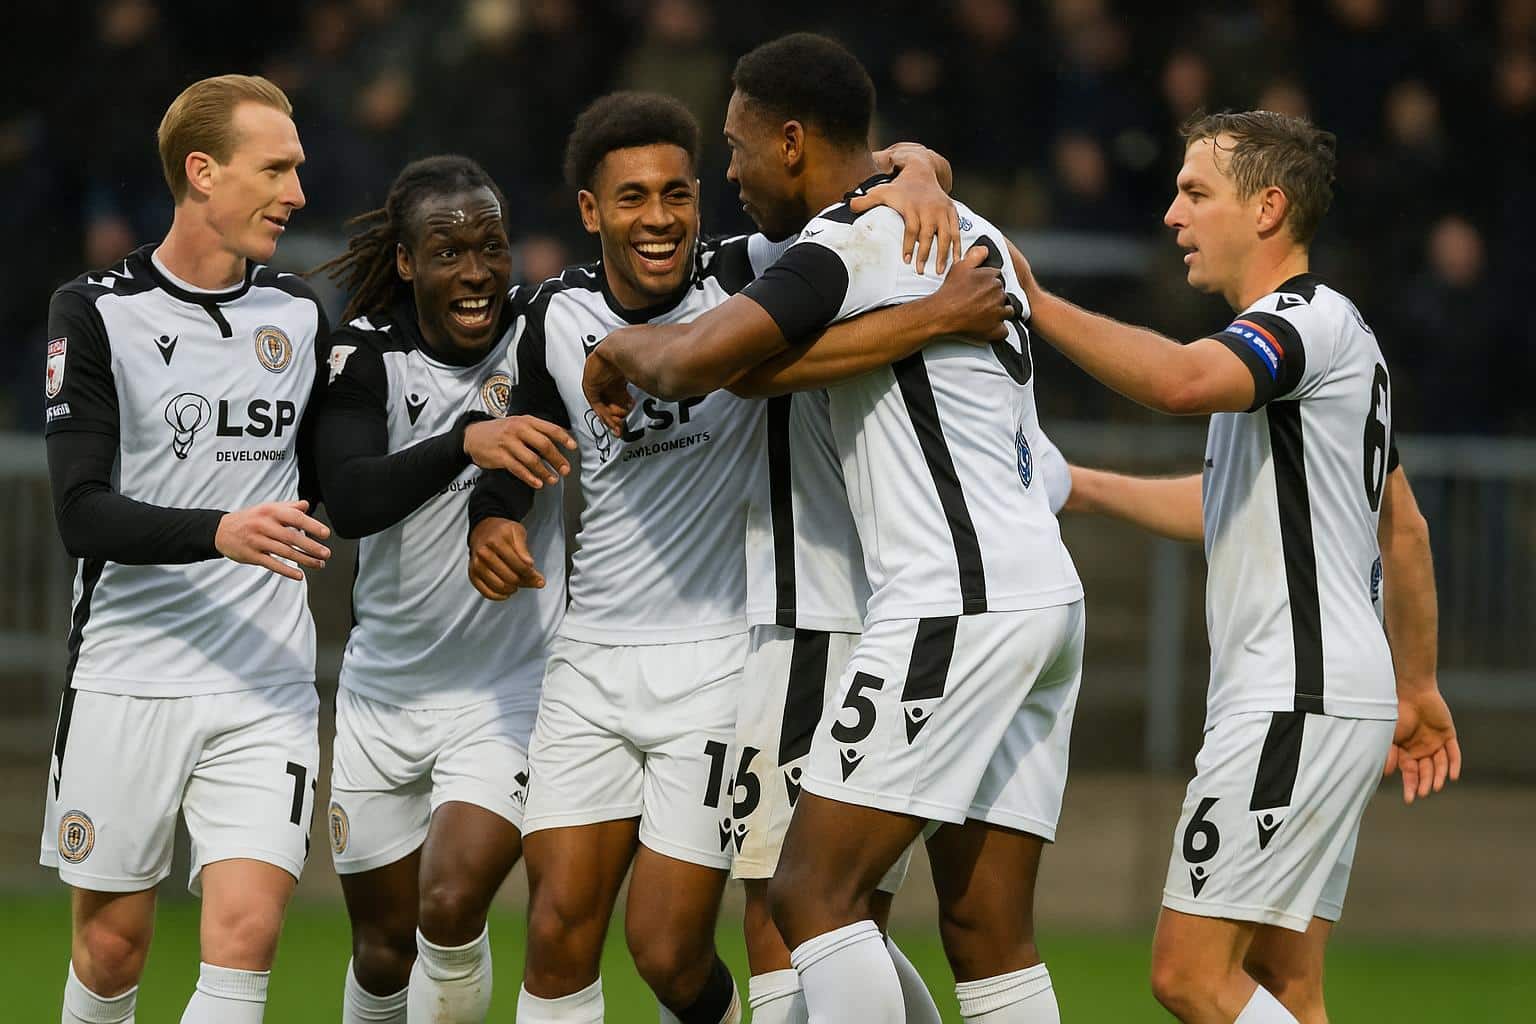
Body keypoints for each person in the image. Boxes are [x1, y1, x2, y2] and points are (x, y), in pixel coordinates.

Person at [466, 91, 1008, 1024]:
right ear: (591, 211)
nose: (660, 217)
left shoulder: (751, 273)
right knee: (555, 929)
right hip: (589, 657)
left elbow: (865, 175)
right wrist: (493, 518)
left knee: (669, 951)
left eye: (677, 192)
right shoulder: (553, 311)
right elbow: (524, 442)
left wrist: (921, 169)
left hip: (724, 658)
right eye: (632, 197)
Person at [582, 34, 1085, 1024]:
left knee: (811, 896)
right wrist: (922, 172)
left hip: (953, 600)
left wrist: (622, 346)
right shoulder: (966, 226)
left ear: (793, 142)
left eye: (738, 148)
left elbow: (692, 363)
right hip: (1041, 601)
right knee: (987, 932)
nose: (730, 173)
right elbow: (755, 366)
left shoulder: (850, 243)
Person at [1012, 110, 1461, 1023]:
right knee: (1284, 985)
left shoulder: (1297, 324)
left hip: (1295, 694)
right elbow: (1397, 527)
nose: (1173, 215)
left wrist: (1037, 305)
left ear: (1267, 208)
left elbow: (1179, 382)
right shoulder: (1339, 338)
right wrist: (1085, 487)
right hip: (1333, 693)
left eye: (1195, 193)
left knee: (1191, 975)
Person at [40, 74, 331, 1024]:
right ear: (202, 172)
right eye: (275, 169)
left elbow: (340, 477)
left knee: (246, 938)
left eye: (297, 169)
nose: (297, 193)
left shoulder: (299, 313)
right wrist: (219, 531)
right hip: (130, 673)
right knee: (111, 953)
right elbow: (81, 513)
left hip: (265, 679)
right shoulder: (94, 311)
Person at [312, 155, 576, 1024]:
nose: (475, 272)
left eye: (491, 247)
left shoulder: (542, 329)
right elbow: (350, 500)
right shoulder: (364, 352)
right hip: (383, 694)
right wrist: (466, 438)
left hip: (510, 687)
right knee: (383, 952)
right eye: (448, 251)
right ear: (405, 261)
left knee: (451, 903)